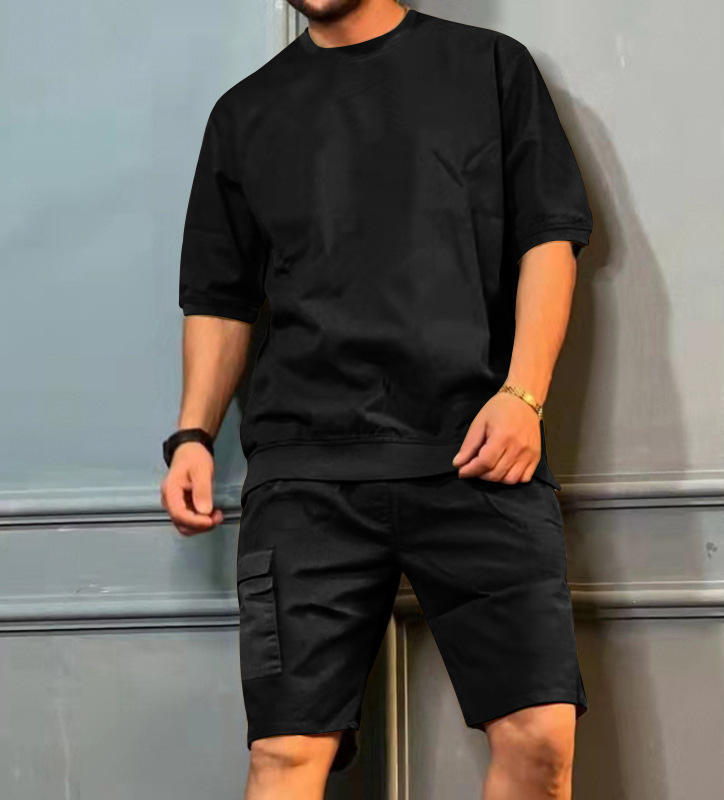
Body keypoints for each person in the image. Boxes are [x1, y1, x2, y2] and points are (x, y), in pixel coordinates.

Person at [160, 1, 592, 797]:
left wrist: (523, 395)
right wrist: (192, 434)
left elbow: (550, 238)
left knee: (539, 741)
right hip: (304, 479)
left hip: (478, 456)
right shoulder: (245, 113)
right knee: (284, 757)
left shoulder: (490, 69)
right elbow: (220, 298)